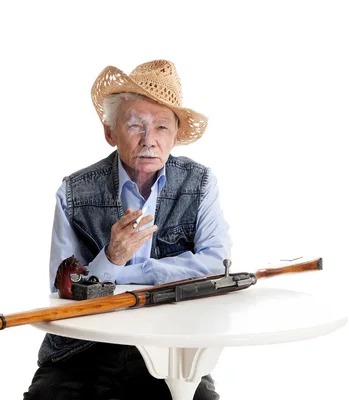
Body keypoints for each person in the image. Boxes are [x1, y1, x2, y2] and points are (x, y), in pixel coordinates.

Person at [24, 60, 231, 400]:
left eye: (162, 127)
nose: (149, 140)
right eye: (136, 125)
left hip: (171, 349)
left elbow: (216, 263)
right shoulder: (74, 191)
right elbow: (61, 289)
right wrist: (111, 256)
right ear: (110, 132)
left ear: (175, 135)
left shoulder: (201, 183)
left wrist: (130, 271)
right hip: (83, 352)